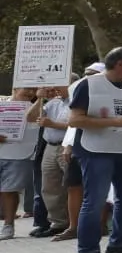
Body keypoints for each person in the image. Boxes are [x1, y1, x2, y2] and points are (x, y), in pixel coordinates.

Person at [66, 48, 122, 253]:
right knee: (95, 200)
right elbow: (75, 120)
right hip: (94, 150)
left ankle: (119, 242)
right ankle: (87, 252)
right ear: (120, 64)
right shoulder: (88, 84)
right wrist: (114, 122)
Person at [0, 87, 42, 239]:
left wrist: (40, 98)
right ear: (15, 89)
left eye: (34, 89)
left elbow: (31, 118)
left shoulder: (40, 106)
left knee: (9, 190)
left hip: (20, 155)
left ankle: (8, 226)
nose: (30, 92)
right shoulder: (1, 104)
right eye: (27, 89)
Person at [33, 82, 71, 238]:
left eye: (58, 85)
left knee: (71, 185)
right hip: (50, 146)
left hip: (66, 146)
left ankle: (75, 222)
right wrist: (39, 99)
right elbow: (31, 117)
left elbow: (76, 125)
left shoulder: (76, 102)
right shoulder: (53, 103)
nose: (54, 89)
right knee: (50, 186)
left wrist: (52, 124)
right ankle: (58, 222)